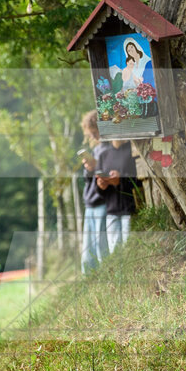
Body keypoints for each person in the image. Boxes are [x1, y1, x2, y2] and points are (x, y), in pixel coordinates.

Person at [95, 139, 138, 253]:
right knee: (115, 253)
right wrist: (101, 185)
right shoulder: (103, 155)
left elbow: (139, 180)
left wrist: (120, 180)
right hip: (112, 212)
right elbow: (99, 190)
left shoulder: (132, 150)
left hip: (130, 211)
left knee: (129, 250)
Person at [79, 110, 108, 273]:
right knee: (88, 252)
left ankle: (104, 276)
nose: (94, 137)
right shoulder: (97, 150)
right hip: (90, 203)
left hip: (102, 202)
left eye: (95, 133)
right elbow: (89, 180)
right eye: (92, 134)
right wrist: (89, 169)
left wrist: (97, 168)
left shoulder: (109, 149)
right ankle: (89, 280)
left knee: (100, 247)